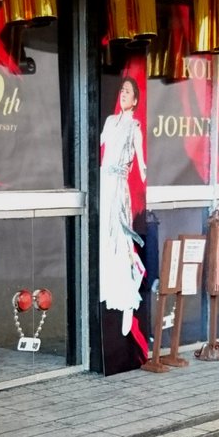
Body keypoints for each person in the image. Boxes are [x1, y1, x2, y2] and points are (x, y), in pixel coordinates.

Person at [98, 76, 147, 335]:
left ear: (135, 100)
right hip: (103, 185)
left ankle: (127, 299)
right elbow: (98, 144)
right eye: (122, 90)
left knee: (120, 240)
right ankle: (106, 291)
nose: (123, 94)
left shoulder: (135, 127)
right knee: (104, 240)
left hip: (118, 188)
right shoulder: (110, 121)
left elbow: (142, 164)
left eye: (128, 91)